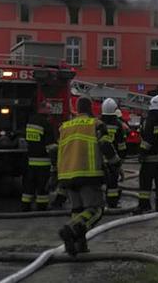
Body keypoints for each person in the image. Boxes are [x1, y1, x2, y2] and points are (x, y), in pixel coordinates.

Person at [56, 97, 112, 256]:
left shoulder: (64, 127)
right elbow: (106, 145)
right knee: (96, 210)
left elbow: (55, 150)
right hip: (88, 173)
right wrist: (115, 164)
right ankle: (71, 229)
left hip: (66, 174)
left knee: (77, 209)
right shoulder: (96, 124)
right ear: (91, 109)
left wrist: (56, 175)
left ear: (77, 109)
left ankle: (79, 246)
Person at [21, 101, 57, 212]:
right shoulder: (46, 124)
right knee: (42, 187)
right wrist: (55, 163)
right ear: (42, 109)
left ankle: (25, 206)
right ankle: (42, 207)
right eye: (49, 109)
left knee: (29, 186)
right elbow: (51, 147)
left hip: (30, 161)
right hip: (43, 162)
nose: (51, 112)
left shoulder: (31, 121)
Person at [99, 98, 126, 209]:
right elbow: (121, 145)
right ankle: (112, 203)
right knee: (113, 182)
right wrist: (121, 160)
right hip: (113, 158)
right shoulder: (118, 124)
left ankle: (99, 201)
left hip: (98, 158)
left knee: (98, 182)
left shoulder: (98, 123)